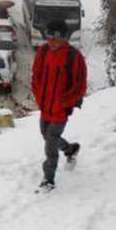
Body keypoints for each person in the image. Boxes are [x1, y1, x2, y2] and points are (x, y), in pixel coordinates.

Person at [31, 19, 88, 192]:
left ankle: (49, 179)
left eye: (55, 39)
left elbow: (80, 85)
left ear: (64, 38)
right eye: (49, 38)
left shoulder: (74, 57)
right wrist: (39, 96)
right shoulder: (43, 52)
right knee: (46, 135)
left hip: (61, 110)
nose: (51, 42)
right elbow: (36, 76)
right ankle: (70, 149)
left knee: (50, 142)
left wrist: (65, 102)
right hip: (45, 106)